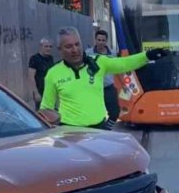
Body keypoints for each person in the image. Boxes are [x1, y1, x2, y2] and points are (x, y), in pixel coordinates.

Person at [39, 27, 169, 130]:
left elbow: (124, 64)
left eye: (77, 44)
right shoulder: (53, 73)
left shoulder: (99, 62)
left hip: (99, 129)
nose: (75, 50)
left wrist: (148, 56)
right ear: (59, 49)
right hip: (70, 132)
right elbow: (46, 107)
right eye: (69, 46)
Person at [84, 30, 120, 123]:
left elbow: (117, 68)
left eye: (103, 40)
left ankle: (107, 130)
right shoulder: (88, 53)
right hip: (93, 87)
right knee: (93, 113)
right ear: (95, 40)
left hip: (108, 87)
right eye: (99, 40)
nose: (100, 42)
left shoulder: (112, 54)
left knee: (115, 112)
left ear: (106, 41)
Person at [29, 38, 55, 110]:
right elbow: (31, 77)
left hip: (50, 91)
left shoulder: (50, 58)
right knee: (41, 112)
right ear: (41, 47)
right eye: (46, 46)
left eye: (50, 46)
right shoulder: (34, 59)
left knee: (51, 111)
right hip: (40, 91)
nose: (48, 48)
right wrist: (36, 92)